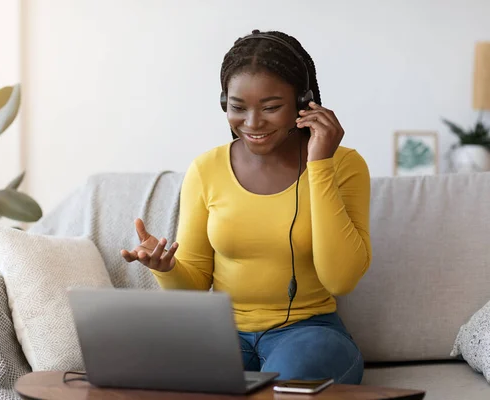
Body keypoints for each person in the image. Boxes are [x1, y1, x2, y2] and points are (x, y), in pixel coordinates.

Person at [121, 29, 371, 384]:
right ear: (224, 103)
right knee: (155, 371)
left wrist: (319, 165)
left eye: (271, 107)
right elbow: (194, 285)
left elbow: (341, 279)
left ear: (303, 103)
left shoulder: (345, 166)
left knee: (292, 379)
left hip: (310, 332)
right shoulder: (206, 169)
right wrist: (166, 267)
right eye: (238, 108)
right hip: (223, 332)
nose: (252, 124)